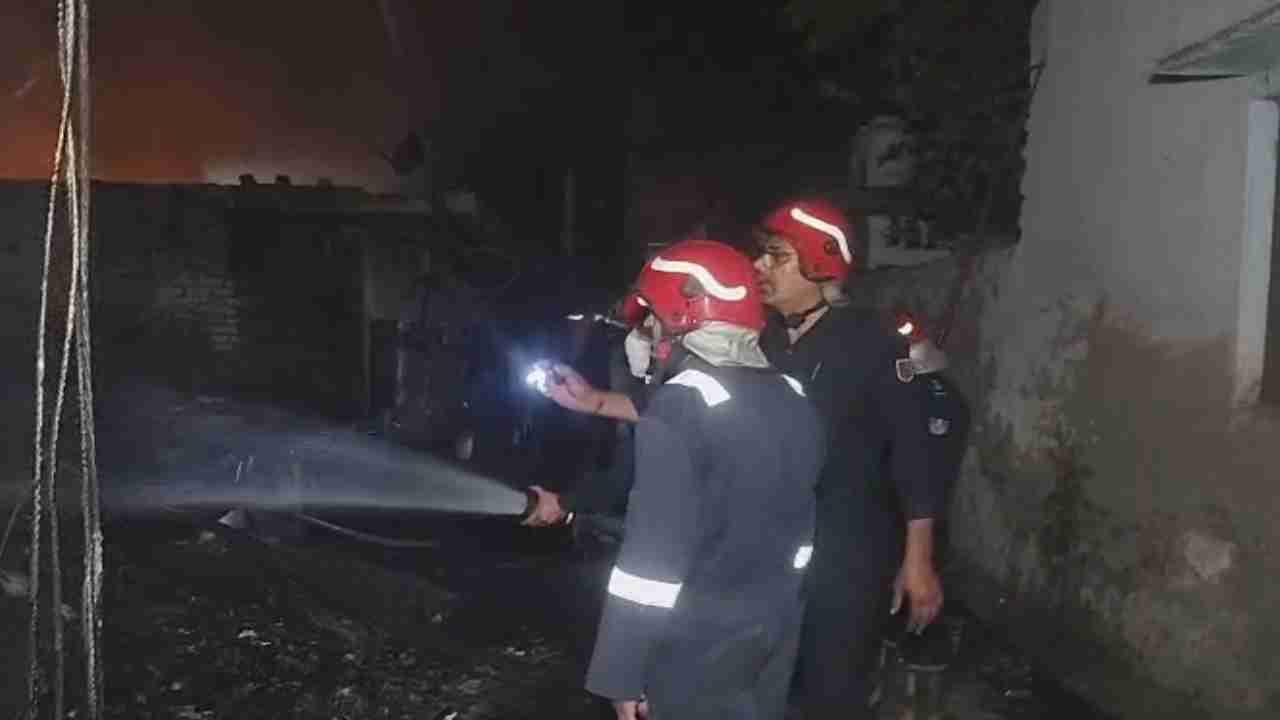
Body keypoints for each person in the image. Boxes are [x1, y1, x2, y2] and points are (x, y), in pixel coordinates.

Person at [533, 238, 824, 720]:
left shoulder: (680, 407)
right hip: (773, 632)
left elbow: (650, 567)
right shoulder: (791, 395)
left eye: (649, 318)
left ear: (680, 316)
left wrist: (620, 673)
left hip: (695, 643)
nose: (644, 333)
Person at [751, 197, 961, 718]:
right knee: (767, 687)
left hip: (848, 554)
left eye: (777, 256)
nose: (760, 266)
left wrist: (917, 560)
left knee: (832, 692)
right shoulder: (763, 341)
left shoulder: (872, 341)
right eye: (763, 254)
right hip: (772, 551)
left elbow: (915, 453)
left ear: (819, 264)